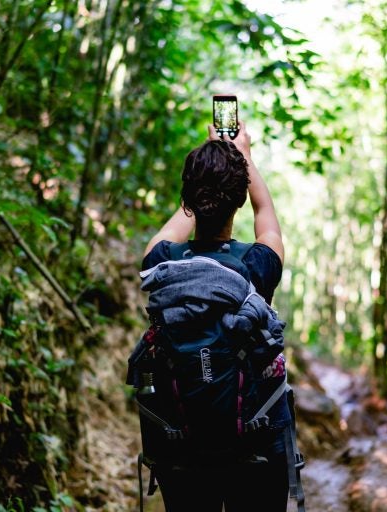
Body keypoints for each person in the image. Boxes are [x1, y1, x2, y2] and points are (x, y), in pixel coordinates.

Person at [141, 120, 290, 511]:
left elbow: (170, 231)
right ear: (238, 198)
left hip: (181, 447)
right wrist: (242, 158)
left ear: (189, 198)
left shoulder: (160, 266)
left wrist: (206, 176)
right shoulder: (257, 266)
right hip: (255, 444)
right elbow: (266, 211)